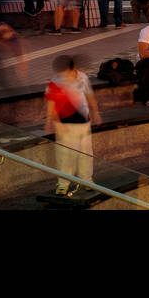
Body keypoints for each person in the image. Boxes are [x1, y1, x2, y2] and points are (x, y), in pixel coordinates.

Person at [44, 54, 101, 196]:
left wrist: (95, 112)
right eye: (61, 75)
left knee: (86, 153)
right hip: (64, 124)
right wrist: (51, 121)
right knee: (64, 155)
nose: (64, 78)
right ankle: (63, 183)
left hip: (83, 122)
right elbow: (51, 103)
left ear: (73, 68)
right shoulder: (55, 82)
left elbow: (89, 95)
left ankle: (86, 179)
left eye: (67, 74)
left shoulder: (83, 77)